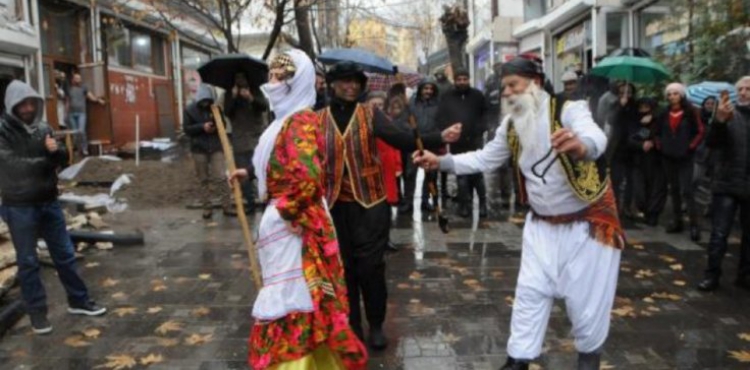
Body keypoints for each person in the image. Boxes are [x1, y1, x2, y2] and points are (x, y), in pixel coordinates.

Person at [414, 55, 623, 370]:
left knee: (586, 302)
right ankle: (518, 360)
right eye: (504, 88)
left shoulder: (567, 109)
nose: (507, 93)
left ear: (535, 84)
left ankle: (588, 359)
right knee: (530, 293)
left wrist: (582, 147)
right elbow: (485, 158)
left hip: (586, 225)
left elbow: (596, 137)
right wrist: (441, 161)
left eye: (513, 85)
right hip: (540, 226)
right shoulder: (511, 125)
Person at [228, 50, 368, 369]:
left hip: (295, 227)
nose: (272, 83)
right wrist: (247, 173)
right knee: (295, 300)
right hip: (283, 222)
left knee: (296, 300)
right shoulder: (284, 121)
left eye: (281, 77)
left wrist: (291, 212)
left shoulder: (301, 119)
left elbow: (308, 175)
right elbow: (281, 161)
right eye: (272, 76)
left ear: (298, 82)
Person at [317, 61, 461, 350]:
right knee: (344, 270)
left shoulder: (370, 114)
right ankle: (353, 325)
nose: (351, 86)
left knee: (370, 268)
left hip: (370, 205)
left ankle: (377, 324)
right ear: (332, 85)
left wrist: (438, 138)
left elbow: (404, 139)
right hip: (334, 207)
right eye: (345, 81)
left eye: (356, 81)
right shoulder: (316, 119)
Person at [0, 80, 107, 335]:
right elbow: (11, 165)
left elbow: (64, 160)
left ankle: (79, 301)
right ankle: (38, 313)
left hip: (49, 202)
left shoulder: (43, 127)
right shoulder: (2, 130)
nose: (27, 108)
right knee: (28, 261)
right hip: (19, 206)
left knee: (66, 255)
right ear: (11, 105)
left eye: (31, 103)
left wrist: (56, 150)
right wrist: (46, 159)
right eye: (21, 104)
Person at [697, 76, 750, 292]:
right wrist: (718, 121)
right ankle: (712, 275)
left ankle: (745, 276)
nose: (745, 92)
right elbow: (711, 143)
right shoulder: (728, 115)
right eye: (741, 89)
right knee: (719, 233)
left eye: (749, 88)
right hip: (726, 183)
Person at [654, 83, 705, 241]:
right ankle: (677, 221)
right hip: (668, 156)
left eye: (675, 93)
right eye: (669, 94)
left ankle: (695, 226)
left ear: (681, 95)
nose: (672, 97)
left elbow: (700, 131)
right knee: (674, 189)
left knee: (687, 190)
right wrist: (660, 145)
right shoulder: (663, 113)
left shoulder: (691, 112)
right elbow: (656, 132)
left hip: (685, 157)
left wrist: (690, 147)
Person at [436, 68, 488, 218]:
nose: (462, 82)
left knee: (477, 173)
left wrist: (480, 128)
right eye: (459, 79)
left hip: (474, 140)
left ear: (469, 79)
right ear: (455, 80)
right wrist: (448, 130)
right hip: (456, 141)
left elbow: (485, 113)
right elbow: (441, 116)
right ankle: (465, 205)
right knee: (461, 174)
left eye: (465, 79)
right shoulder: (447, 97)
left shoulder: (477, 95)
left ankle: (483, 204)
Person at [183, 84, 230, 220]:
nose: (206, 103)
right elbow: (187, 129)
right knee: (203, 179)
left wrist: (216, 125)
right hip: (199, 148)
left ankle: (226, 206)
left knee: (221, 177)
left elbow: (223, 125)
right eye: (204, 101)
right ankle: (206, 208)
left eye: (208, 101)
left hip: (215, 147)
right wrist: (202, 127)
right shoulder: (190, 110)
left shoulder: (215, 109)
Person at [223, 73, 268, 212]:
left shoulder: (255, 90)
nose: (240, 80)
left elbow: (264, 106)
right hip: (240, 139)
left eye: (242, 77)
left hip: (256, 138)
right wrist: (234, 97)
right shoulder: (230, 93)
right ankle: (250, 203)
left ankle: (266, 200)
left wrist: (250, 97)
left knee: (261, 170)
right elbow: (227, 112)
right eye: (237, 78)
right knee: (243, 173)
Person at [367, 91, 402, 253]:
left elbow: (396, 146)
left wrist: (398, 165)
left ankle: (385, 238)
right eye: (374, 105)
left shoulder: (388, 122)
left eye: (380, 105)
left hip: (387, 168)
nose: (378, 108)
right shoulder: (362, 123)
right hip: (371, 167)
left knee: (387, 207)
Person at [401, 78, 441, 214]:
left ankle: (426, 201)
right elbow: (403, 120)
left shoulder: (438, 104)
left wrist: (436, 134)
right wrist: (411, 129)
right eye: (425, 88)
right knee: (410, 173)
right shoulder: (411, 103)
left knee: (430, 174)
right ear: (421, 89)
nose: (428, 91)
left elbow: (442, 122)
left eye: (431, 89)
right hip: (414, 143)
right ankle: (408, 202)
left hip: (431, 143)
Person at [628, 97, 667, 226]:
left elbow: (663, 136)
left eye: (646, 107)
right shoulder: (636, 121)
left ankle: (653, 214)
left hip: (656, 160)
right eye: (641, 108)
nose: (643, 110)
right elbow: (632, 139)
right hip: (639, 160)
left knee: (655, 189)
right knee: (640, 190)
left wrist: (653, 140)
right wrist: (642, 142)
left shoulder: (659, 120)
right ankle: (644, 210)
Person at [67, 73, 105, 156]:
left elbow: (91, 97)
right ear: (72, 80)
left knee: (81, 131)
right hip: (71, 114)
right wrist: (66, 114)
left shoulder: (84, 88)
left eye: (79, 78)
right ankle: (78, 150)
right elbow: (67, 101)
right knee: (74, 133)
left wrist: (98, 100)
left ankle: (84, 148)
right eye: (76, 78)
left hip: (81, 113)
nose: (78, 80)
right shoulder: (69, 89)